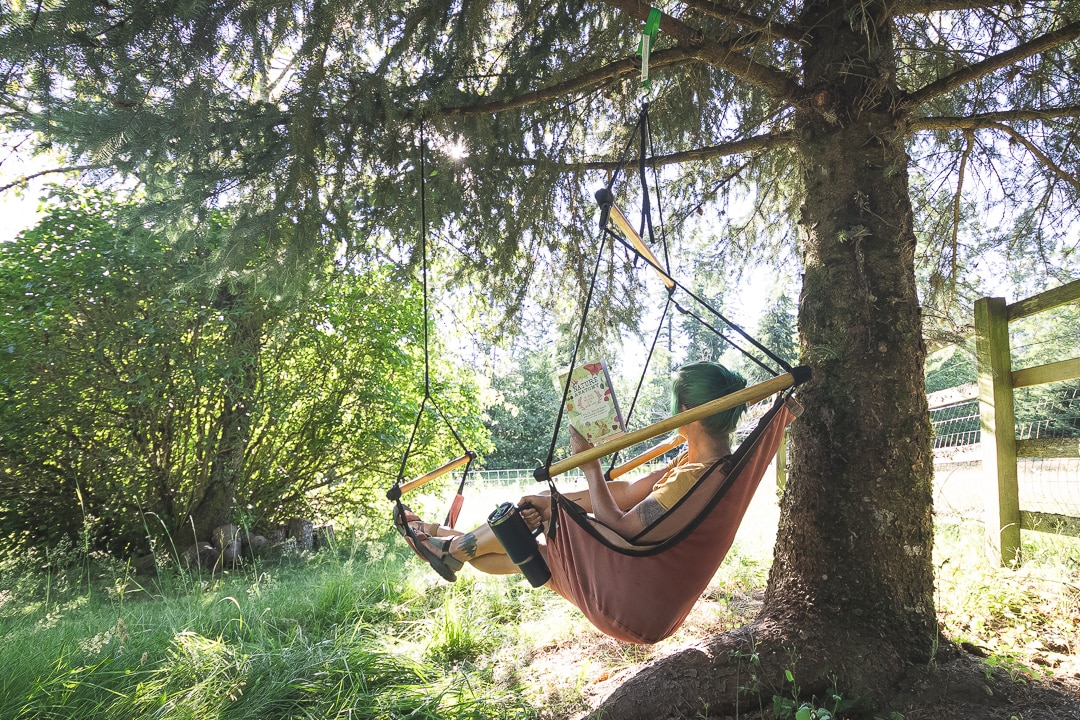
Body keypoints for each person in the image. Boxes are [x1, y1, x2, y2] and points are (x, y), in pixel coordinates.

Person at [395, 361, 748, 582]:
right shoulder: (698, 461)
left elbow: (619, 524)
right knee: (525, 532)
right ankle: (447, 543)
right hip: (622, 558)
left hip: (624, 570)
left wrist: (589, 465)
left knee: (528, 522)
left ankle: (447, 545)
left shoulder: (695, 476)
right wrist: (552, 497)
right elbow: (626, 494)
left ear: (686, 410)